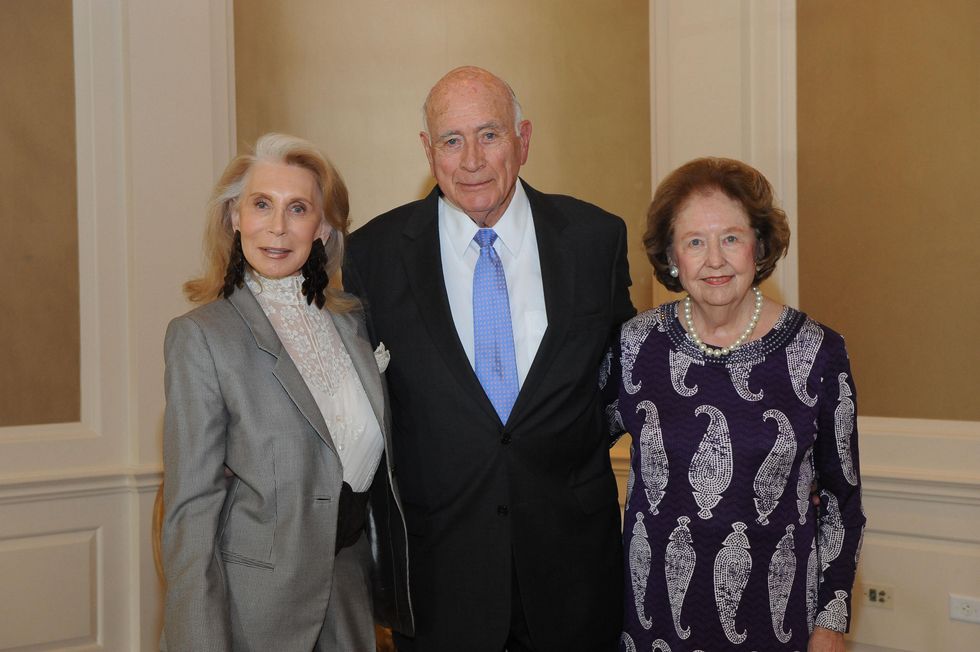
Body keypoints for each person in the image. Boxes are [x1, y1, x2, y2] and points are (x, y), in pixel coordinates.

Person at [342, 66, 635, 652]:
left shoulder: (594, 237)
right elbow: (357, 402)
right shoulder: (373, 254)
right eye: (451, 140)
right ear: (429, 151)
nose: (471, 159)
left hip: (573, 567)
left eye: (489, 135)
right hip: (440, 575)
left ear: (523, 139)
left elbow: (624, 381)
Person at [160, 133, 413, 651]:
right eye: (261, 205)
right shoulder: (202, 336)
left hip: (349, 598)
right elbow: (191, 513)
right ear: (234, 216)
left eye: (297, 208)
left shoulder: (355, 324)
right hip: (251, 613)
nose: (277, 227)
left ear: (322, 227)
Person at [605, 157, 865, 652]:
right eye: (695, 242)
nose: (715, 260)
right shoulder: (637, 346)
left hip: (776, 622)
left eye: (731, 238)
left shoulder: (819, 353)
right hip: (652, 619)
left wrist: (831, 623)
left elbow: (841, 499)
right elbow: (569, 447)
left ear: (759, 246)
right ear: (672, 257)